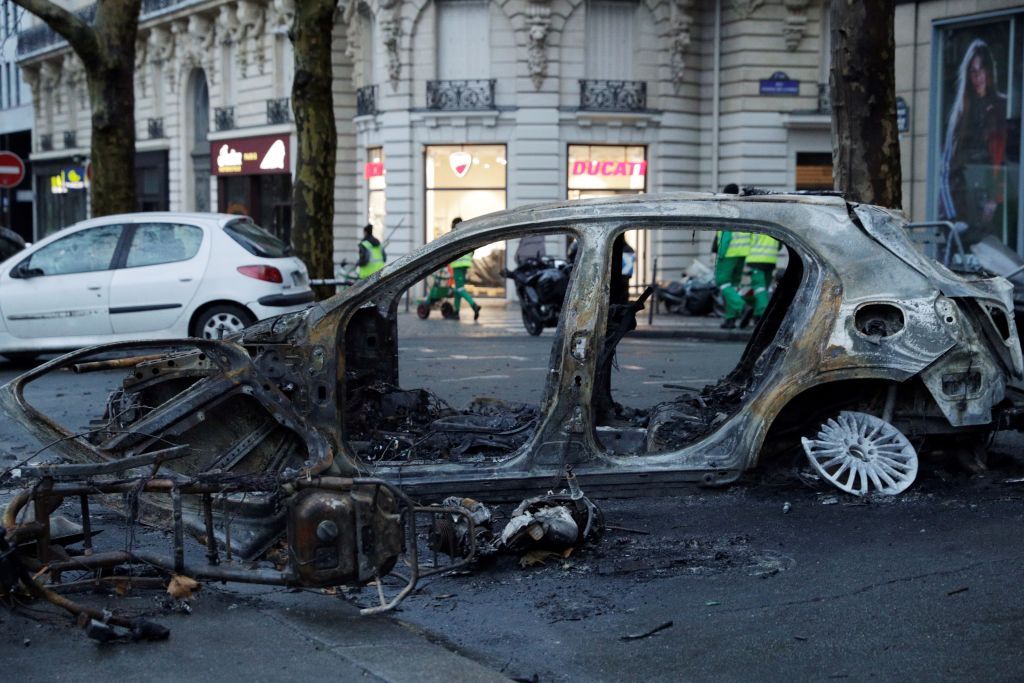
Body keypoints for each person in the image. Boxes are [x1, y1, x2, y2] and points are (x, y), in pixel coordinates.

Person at [938, 38, 1008, 247]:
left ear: (989, 71)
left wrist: (995, 200)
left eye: (981, 69)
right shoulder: (961, 114)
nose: (978, 77)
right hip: (962, 208)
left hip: (991, 206)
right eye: (973, 71)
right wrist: (954, 217)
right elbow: (946, 169)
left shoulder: (1000, 107)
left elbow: (1004, 162)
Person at [714, 183, 750, 329]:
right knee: (733, 286)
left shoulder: (726, 207)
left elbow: (726, 234)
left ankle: (742, 306)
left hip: (729, 253)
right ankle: (730, 319)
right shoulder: (744, 206)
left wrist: (720, 254)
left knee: (722, 282)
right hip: (742, 253)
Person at [448, 217, 481, 321]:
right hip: (465, 264)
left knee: (460, 289)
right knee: (458, 289)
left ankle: (474, 305)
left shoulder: (453, 234)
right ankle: (456, 312)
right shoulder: (466, 232)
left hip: (457, 265)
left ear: (453, 224)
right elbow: (473, 248)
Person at [745, 233, 780, 324]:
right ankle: (757, 314)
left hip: (755, 260)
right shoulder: (775, 225)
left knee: (759, 289)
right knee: (763, 289)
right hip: (770, 260)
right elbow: (780, 245)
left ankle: (762, 313)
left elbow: (746, 243)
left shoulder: (755, 225)